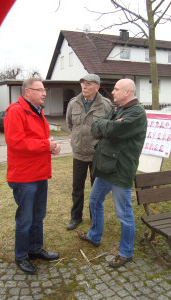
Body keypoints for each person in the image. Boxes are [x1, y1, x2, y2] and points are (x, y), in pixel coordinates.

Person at [78, 78, 147, 268]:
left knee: (124, 213)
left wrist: (109, 125)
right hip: (107, 166)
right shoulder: (117, 109)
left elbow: (113, 130)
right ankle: (94, 236)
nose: (112, 92)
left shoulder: (136, 113)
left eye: (116, 89)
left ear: (127, 92)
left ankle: (126, 252)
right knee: (94, 200)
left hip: (121, 170)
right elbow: (96, 126)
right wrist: (108, 124)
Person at [4, 78, 61, 275]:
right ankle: (21, 255)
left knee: (38, 216)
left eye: (44, 90)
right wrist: (46, 145)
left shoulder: (37, 111)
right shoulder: (16, 111)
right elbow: (16, 142)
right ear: (27, 92)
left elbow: (39, 140)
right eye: (40, 90)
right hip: (24, 177)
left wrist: (51, 147)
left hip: (39, 174)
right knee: (25, 219)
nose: (44, 93)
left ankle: (35, 249)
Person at [66, 74, 111, 230]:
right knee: (77, 188)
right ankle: (76, 217)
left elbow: (108, 128)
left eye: (89, 84)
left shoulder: (105, 105)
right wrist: (75, 140)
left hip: (96, 154)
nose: (85, 87)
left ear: (97, 87)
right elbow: (69, 125)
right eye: (83, 84)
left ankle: (95, 218)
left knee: (96, 189)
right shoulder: (73, 103)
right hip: (78, 153)